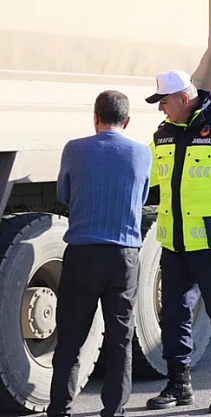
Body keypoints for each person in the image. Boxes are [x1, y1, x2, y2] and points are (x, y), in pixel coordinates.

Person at [143, 70, 211, 413]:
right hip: (175, 243)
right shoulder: (163, 135)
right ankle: (179, 385)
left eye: (163, 101)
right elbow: (145, 176)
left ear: (182, 97)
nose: (161, 109)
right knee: (174, 314)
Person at [46, 91, 151, 417]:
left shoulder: (75, 149)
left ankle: (60, 410)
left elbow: (64, 193)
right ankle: (114, 411)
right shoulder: (141, 153)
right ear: (128, 120)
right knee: (120, 339)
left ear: (95, 116)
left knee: (71, 338)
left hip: (83, 253)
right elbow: (142, 195)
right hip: (124, 256)